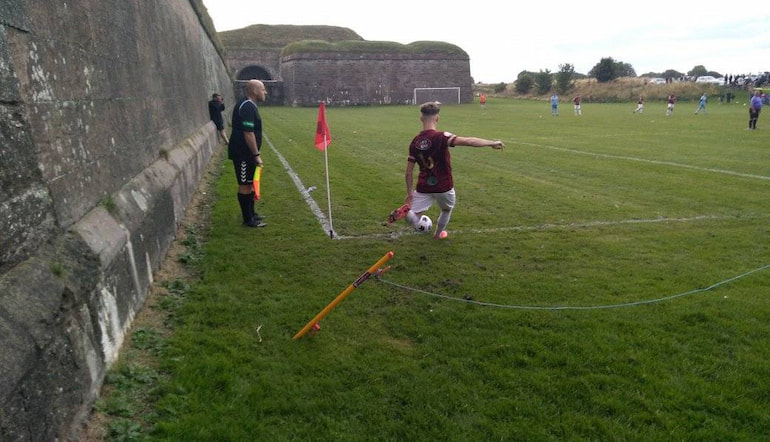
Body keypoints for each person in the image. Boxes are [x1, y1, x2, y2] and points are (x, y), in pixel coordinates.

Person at [394, 102, 504, 239]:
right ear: (437, 118)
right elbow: (468, 141)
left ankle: (410, 215)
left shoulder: (415, 142)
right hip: (444, 185)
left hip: (424, 186)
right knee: (446, 210)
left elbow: (408, 173)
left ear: (421, 119)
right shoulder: (442, 136)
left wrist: (410, 193)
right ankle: (438, 235)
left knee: (414, 215)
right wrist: (491, 143)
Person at [228, 80, 267, 227]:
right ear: (255, 91)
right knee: (245, 185)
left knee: (250, 184)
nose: (265, 92)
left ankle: (252, 214)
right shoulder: (247, 106)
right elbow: (248, 133)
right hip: (243, 154)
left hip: (247, 154)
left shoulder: (248, 104)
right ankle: (248, 220)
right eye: (262, 89)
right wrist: (256, 154)